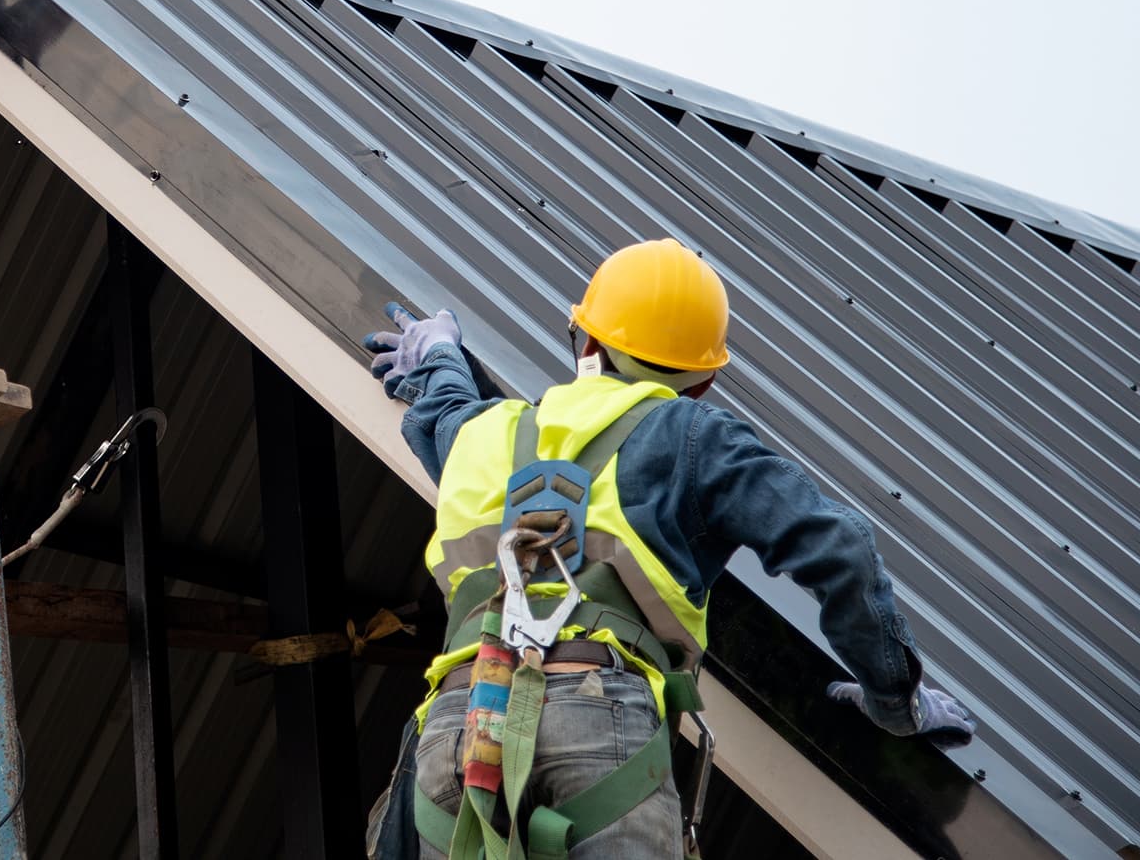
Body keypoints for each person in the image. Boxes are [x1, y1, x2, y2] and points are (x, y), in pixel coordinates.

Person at [367, 237, 974, 859]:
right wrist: (894, 698)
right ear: (705, 380)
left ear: (586, 341)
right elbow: (840, 546)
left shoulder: (482, 434)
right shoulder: (694, 438)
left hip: (462, 731)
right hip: (599, 724)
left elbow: (443, 413)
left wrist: (439, 355)